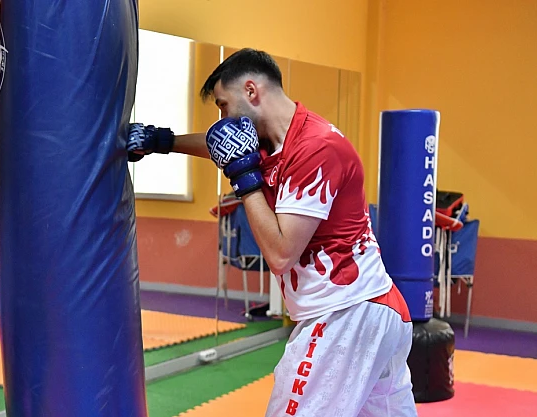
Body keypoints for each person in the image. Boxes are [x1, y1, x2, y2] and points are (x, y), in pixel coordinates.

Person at [128, 48, 418, 417]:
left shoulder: (316, 149)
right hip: (375, 309)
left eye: (223, 105)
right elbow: (218, 144)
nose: (222, 119)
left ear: (251, 91)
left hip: (345, 316)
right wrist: (162, 142)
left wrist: (244, 181)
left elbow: (281, 255)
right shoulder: (275, 142)